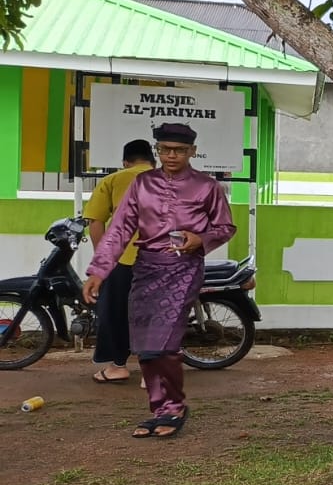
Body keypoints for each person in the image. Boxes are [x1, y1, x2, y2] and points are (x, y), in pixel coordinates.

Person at [84, 123, 236, 439]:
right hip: (146, 267)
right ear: (157, 151)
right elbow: (120, 229)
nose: (171, 155)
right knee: (144, 346)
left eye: (179, 150)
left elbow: (225, 227)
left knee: (162, 342)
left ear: (192, 151)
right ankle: (159, 410)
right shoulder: (142, 184)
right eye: (164, 149)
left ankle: (175, 407)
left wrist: (200, 239)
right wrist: (99, 271)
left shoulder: (207, 187)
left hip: (183, 269)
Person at [83, 139, 156, 385]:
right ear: (153, 160)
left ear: (125, 162)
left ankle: (118, 366)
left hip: (122, 260)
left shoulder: (113, 180)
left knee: (115, 313)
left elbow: (95, 222)